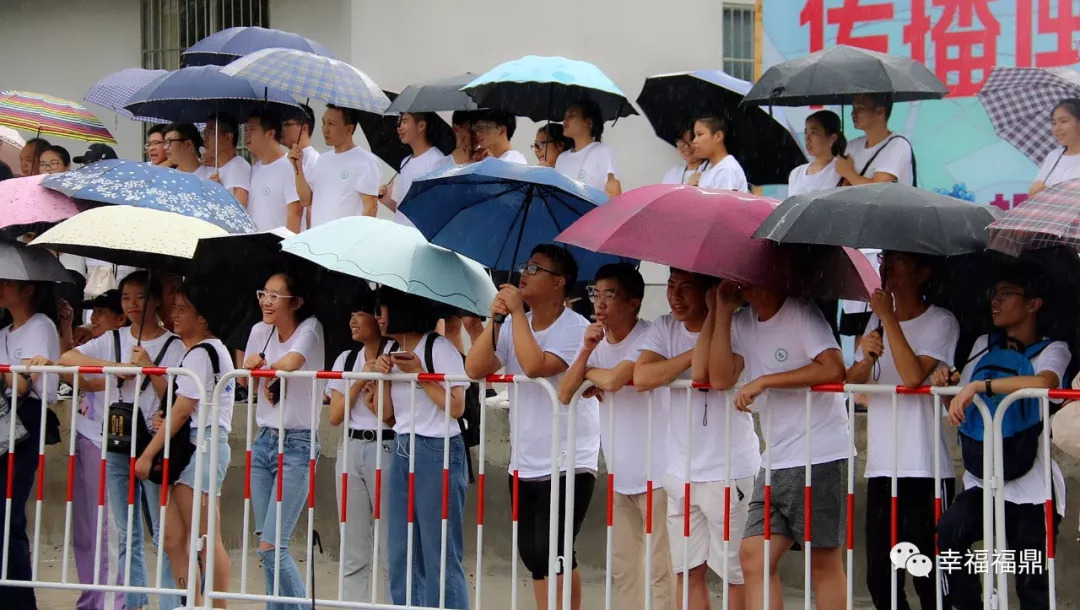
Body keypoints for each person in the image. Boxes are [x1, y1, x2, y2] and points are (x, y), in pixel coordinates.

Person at [466, 244, 600, 610]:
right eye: (525, 266)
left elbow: (536, 365)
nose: (524, 273)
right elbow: (475, 369)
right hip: (525, 456)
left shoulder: (576, 328)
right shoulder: (511, 324)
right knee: (533, 552)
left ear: (559, 283)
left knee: (552, 548)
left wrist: (516, 315)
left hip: (568, 455)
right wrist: (495, 320)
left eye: (536, 269)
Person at [707, 281, 849, 610]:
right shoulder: (742, 322)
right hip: (775, 459)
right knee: (753, 556)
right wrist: (723, 312)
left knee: (823, 563)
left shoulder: (801, 312)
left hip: (820, 452)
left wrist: (765, 380)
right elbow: (720, 378)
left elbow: (833, 367)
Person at [934, 265, 1067, 610]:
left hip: (1032, 486)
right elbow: (962, 407)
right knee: (950, 532)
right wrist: (950, 389)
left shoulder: (1054, 350)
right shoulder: (982, 345)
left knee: (1032, 584)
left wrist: (980, 385)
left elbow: (1044, 384)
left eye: (1006, 294)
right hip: (983, 479)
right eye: (995, 293)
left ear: (1033, 304)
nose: (995, 301)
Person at [59, 271, 187, 610]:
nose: (131, 305)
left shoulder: (173, 345)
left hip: (154, 442)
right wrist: (113, 367)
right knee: (125, 531)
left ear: (156, 300)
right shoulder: (112, 339)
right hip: (115, 441)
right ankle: (134, 601)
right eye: (126, 297)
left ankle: (170, 602)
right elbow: (68, 359)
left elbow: (177, 396)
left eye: (139, 297)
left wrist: (148, 369)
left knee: (163, 532)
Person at [637, 269, 760, 610]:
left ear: (708, 291)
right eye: (671, 286)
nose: (675, 296)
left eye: (686, 288)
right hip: (681, 473)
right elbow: (643, 376)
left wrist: (717, 315)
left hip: (729, 471)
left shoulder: (740, 327)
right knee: (687, 572)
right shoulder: (664, 326)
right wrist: (692, 353)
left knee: (735, 574)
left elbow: (712, 375)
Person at [557, 264, 677, 610]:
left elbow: (615, 380)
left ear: (634, 303)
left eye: (610, 295)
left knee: (660, 571)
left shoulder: (650, 337)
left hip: (657, 474)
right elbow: (566, 392)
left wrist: (592, 375)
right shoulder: (595, 343)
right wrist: (585, 354)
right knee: (626, 571)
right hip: (622, 476)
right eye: (596, 293)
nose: (600, 303)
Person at [846, 251, 959, 610]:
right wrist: (864, 357)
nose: (886, 267)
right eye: (884, 259)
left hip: (923, 469)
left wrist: (887, 318)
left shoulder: (940, 321)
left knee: (928, 574)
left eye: (897, 261)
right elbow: (853, 385)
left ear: (923, 271)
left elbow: (912, 375)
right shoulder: (875, 324)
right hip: (881, 467)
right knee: (880, 576)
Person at [136, 281, 234, 607]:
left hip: (202, 444)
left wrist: (148, 454)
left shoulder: (203, 352)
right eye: (174, 308)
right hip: (195, 443)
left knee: (205, 538)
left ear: (203, 317)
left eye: (183, 309)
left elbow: (180, 412)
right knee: (174, 537)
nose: (174, 315)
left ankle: (215, 604)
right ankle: (190, 600)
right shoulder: (202, 352)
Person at [370, 288, 470, 608]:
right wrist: (382, 376)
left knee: (439, 552)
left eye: (383, 308)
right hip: (402, 446)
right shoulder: (391, 349)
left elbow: (456, 406)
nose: (378, 316)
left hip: (437, 449)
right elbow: (387, 414)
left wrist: (420, 375)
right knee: (401, 551)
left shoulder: (438, 348)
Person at [243, 271, 325, 605]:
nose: (267, 301)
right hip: (263, 440)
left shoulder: (311, 327)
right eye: (264, 293)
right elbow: (246, 384)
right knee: (266, 544)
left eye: (276, 296)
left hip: (298, 443)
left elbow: (291, 362)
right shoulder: (258, 331)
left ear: (297, 302)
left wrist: (264, 365)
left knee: (273, 546)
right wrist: (251, 368)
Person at [58, 290, 127, 610]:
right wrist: (66, 331)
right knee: (86, 531)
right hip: (87, 439)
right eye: (93, 312)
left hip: (107, 444)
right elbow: (70, 371)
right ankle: (91, 598)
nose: (94, 319)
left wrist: (108, 367)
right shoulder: (99, 347)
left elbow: (94, 382)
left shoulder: (120, 342)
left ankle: (112, 601)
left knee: (107, 532)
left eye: (101, 312)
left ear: (120, 317)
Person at [327, 297, 393, 602]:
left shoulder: (394, 353)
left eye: (360, 314)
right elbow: (335, 415)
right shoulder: (346, 359)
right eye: (351, 315)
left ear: (378, 317)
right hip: (351, 446)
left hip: (387, 446)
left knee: (391, 546)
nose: (353, 322)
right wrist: (358, 380)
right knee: (353, 546)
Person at [0, 277, 60, 610]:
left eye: (7, 282)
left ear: (29, 288)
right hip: (3, 418)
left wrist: (12, 372)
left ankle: (19, 600)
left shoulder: (41, 326)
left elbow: (27, 387)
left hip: (26, 418)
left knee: (9, 510)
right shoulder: (3, 332)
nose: (0, 286)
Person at [292, 104, 381, 226]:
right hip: (319, 240)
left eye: (331, 124)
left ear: (349, 129)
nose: (325, 129)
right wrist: (297, 167)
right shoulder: (322, 159)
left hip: (345, 242)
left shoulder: (366, 161)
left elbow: (370, 208)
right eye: (324, 123)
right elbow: (306, 200)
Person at [380, 112, 448, 227]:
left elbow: (436, 209)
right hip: (402, 235)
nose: (399, 127)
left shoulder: (436, 161)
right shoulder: (405, 162)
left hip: (419, 239)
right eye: (399, 122)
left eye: (405, 121)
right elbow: (405, 214)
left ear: (421, 126)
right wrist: (388, 201)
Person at [836, 94, 915, 186]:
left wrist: (849, 172)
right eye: (853, 108)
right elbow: (845, 188)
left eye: (860, 108)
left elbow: (878, 190)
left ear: (880, 109)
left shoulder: (898, 145)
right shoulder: (853, 145)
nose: (853, 113)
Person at [245, 111, 303, 232]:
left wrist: (287, 248)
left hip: (277, 248)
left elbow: (296, 212)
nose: (246, 135)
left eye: (252, 130)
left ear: (270, 133)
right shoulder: (254, 170)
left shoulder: (289, 166)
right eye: (245, 130)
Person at [555, 99, 622, 197]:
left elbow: (614, 194)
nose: (565, 121)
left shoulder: (603, 152)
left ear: (588, 122)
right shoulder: (561, 158)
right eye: (564, 117)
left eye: (571, 116)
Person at [196, 113, 251, 205]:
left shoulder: (238, 166)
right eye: (205, 133)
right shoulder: (211, 168)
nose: (205, 138)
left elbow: (241, 208)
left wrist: (219, 192)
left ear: (228, 137)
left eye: (210, 132)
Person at [1030, 98, 1080, 197]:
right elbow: (1034, 194)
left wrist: (1051, 193)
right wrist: (1035, 191)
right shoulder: (1054, 156)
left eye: (1063, 121)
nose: (1056, 129)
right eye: (1054, 123)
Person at [788, 111, 845, 196]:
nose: (807, 138)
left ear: (832, 138)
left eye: (813, 132)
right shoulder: (796, 173)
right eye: (806, 132)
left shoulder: (841, 171)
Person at [282, 104, 320, 230]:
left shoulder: (314, 161)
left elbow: (308, 209)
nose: (282, 129)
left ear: (304, 128)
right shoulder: (287, 160)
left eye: (286, 124)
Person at [690, 116, 748, 192]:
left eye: (700, 134)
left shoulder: (727, 169)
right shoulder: (705, 167)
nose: (694, 140)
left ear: (718, 136)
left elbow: (723, 203)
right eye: (695, 135)